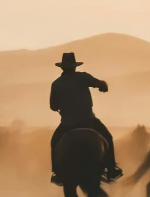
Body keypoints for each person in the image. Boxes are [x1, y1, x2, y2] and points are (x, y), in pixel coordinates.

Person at [49, 52, 122, 186]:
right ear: (75, 66)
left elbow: (53, 106)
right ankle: (111, 168)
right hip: (89, 120)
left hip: (67, 124)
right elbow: (101, 85)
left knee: (54, 142)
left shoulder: (56, 84)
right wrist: (103, 86)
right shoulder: (83, 77)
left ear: (62, 68)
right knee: (108, 137)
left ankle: (57, 172)